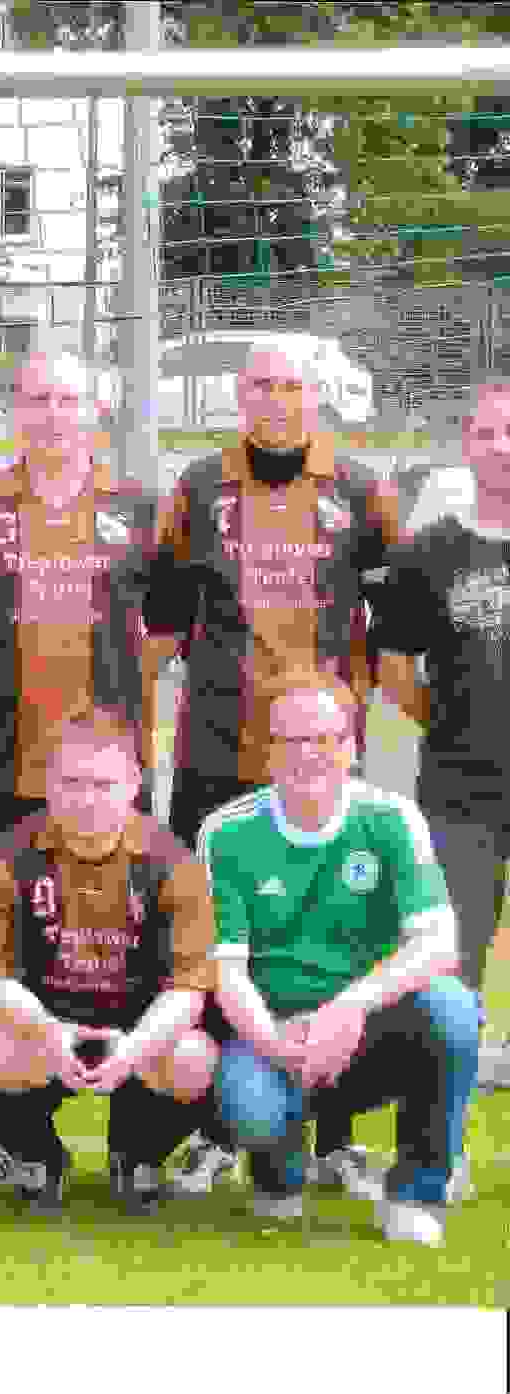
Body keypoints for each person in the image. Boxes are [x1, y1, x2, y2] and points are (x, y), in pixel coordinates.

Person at [146, 345, 402, 1196]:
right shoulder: (197, 489)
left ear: (314, 396)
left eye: (291, 385)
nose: (275, 399)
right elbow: (163, 623)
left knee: (331, 936)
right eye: (260, 385)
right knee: (212, 942)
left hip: (321, 758)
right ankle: (216, 1130)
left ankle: (336, 1136)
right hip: (217, 750)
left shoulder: (361, 491)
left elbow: (388, 628)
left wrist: (354, 713)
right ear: (239, 394)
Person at [198, 669, 482, 1246]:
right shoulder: (225, 833)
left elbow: (439, 943)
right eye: (291, 740)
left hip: (367, 1031)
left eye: (324, 738)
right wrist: (277, 1044)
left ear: (351, 747)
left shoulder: (393, 818)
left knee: (452, 1009)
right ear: (267, 750)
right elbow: (225, 972)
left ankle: (417, 1192)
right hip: (274, 1031)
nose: (308, 754)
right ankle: (278, 1173)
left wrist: (350, 1006)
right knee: (253, 1110)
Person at [0, 705, 222, 1216]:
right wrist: (50, 1032)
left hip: (135, 1028)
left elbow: (187, 990)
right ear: (47, 783)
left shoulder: (174, 862)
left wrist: (134, 1049)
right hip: (43, 1024)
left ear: (133, 783)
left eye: (103, 784)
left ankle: (136, 1155)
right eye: (71, 783)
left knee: (192, 1059)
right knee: (0, 1050)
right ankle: (38, 1154)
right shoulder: (4, 858)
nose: (87, 799)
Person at [0, 349, 173, 859]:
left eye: (68, 399)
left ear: (93, 408)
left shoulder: (142, 508)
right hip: (4, 765)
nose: (54, 414)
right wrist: (1, 685)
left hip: (113, 766)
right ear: (15, 410)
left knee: (115, 906)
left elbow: (168, 629)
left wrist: (121, 675)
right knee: (0, 907)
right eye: (39, 400)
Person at [371, 378, 510, 1094]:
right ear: (468, 446)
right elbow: (394, 667)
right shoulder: (430, 552)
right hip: (462, 787)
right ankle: (452, 1085)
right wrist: (456, 719)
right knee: (454, 949)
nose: (503, 447)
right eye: (489, 433)